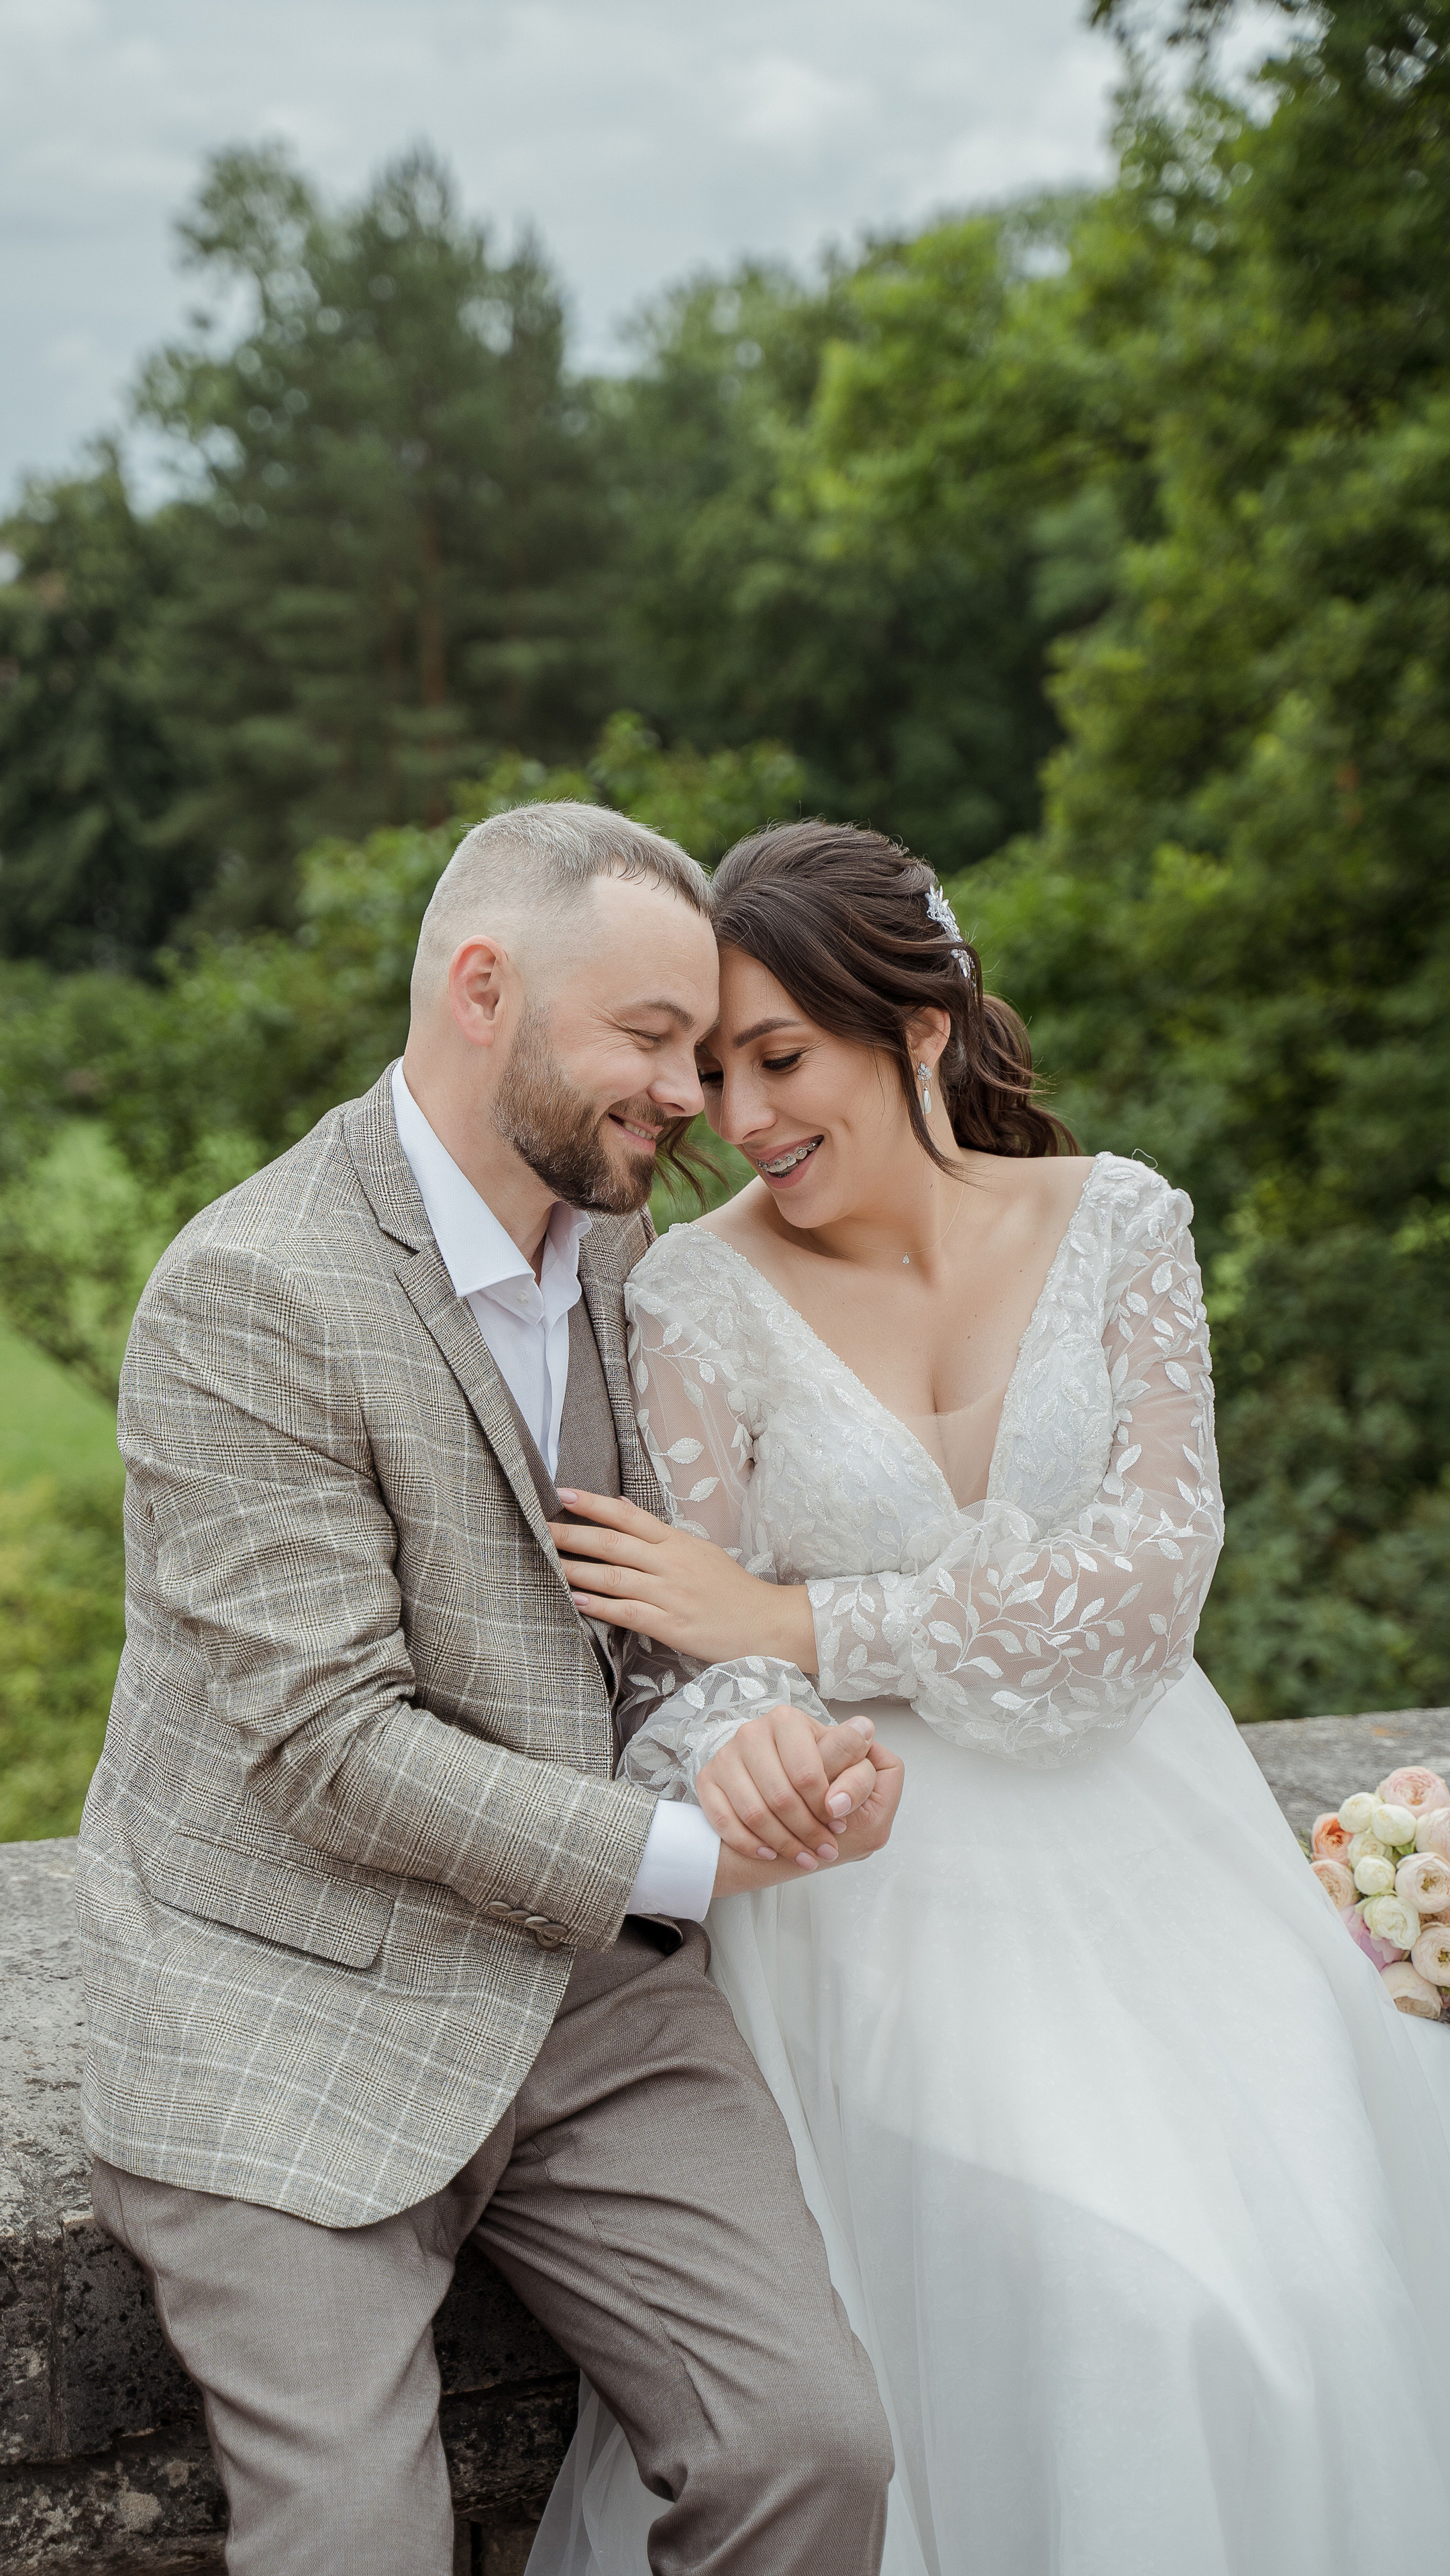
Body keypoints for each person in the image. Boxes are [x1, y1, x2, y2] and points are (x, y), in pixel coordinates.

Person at [529, 822, 1450, 2576]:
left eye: (781, 1059)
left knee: (1320, 2281)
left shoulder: (1121, 1226)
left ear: (923, 1030)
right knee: (1122, 2302)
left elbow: (1146, 1593)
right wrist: (761, 1736)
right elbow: (680, 1659)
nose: (741, 1112)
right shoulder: (696, 1300)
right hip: (885, 1895)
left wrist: (807, 1618)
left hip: (1164, 1858)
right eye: (713, 1070)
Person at [75, 802, 900, 2576]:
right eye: (651, 1041)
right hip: (291, 2000)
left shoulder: (627, 1257)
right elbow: (325, 1751)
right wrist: (689, 1857)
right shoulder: (250, 1292)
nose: (698, 1096)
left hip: (588, 2007)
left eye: (704, 1045)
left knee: (812, 2449)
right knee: (359, 2541)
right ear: (480, 990)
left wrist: (766, 1741)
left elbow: (669, 1616)